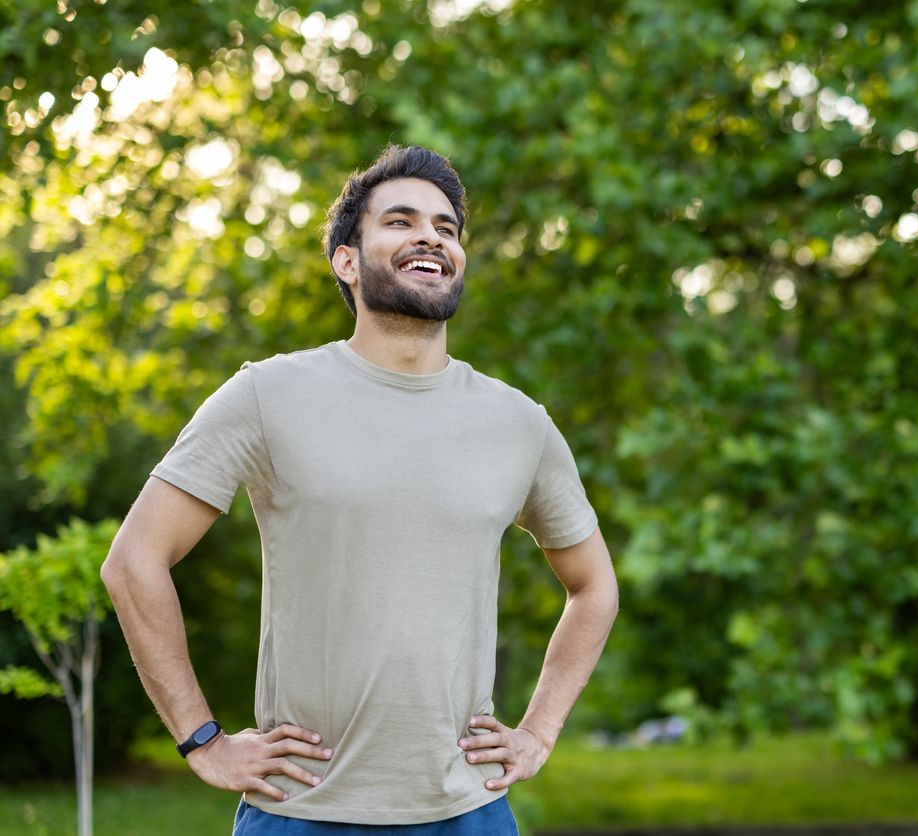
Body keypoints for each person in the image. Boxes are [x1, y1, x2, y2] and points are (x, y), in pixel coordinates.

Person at [101, 144, 620, 834]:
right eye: (400, 222)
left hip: (469, 811)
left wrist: (538, 730)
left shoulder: (517, 423)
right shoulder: (267, 394)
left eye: (446, 227)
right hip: (302, 810)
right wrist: (203, 740)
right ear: (347, 260)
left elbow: (594, 586)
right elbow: (134, 561)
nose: (430, 236)